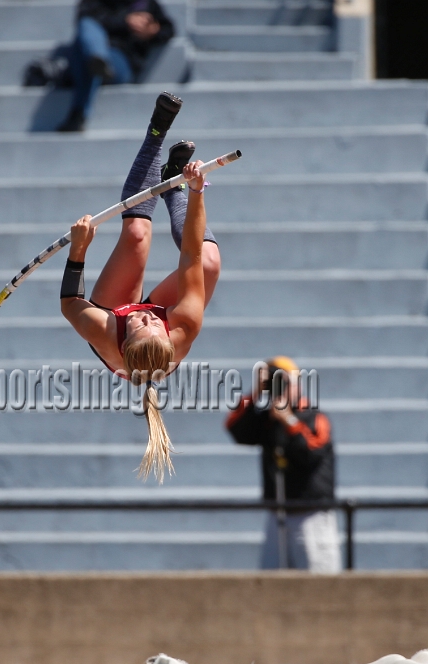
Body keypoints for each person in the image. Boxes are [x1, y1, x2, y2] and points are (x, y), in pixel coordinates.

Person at [60, 91, 221, 482]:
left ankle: (155, 131)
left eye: (143, 323)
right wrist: (197, 191)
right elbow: (191, 258)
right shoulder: (181, 329)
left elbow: (69, 302)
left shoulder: (105, 330)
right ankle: (174, 184)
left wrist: (79, 249)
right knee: (211, 262)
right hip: (155, 339)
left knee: (135, 234)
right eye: (155, 324)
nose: (149, 317)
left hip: (111, 308)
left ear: (126, 336)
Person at [225, 356, 342, 573]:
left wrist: (288, 419)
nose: (278, 389)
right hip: (277, 514)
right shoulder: (267, 420)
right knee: (271, 583)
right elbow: (236, 429)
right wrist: (256, 392)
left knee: (319, 584)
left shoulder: (314, 417)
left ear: (297, 385)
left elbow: (311, 453)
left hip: (310, 515)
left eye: (283, 382)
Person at [25, 0, 175, 132]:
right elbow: (84, 18)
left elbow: (168, 29)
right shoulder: (95, 3)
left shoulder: (146, 3)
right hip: (92, 54)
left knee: (84, 51)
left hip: (121, 62)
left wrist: (152, 31)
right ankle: (96, 59)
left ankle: (78, 110)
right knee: (87, 30)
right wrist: (125, 22)